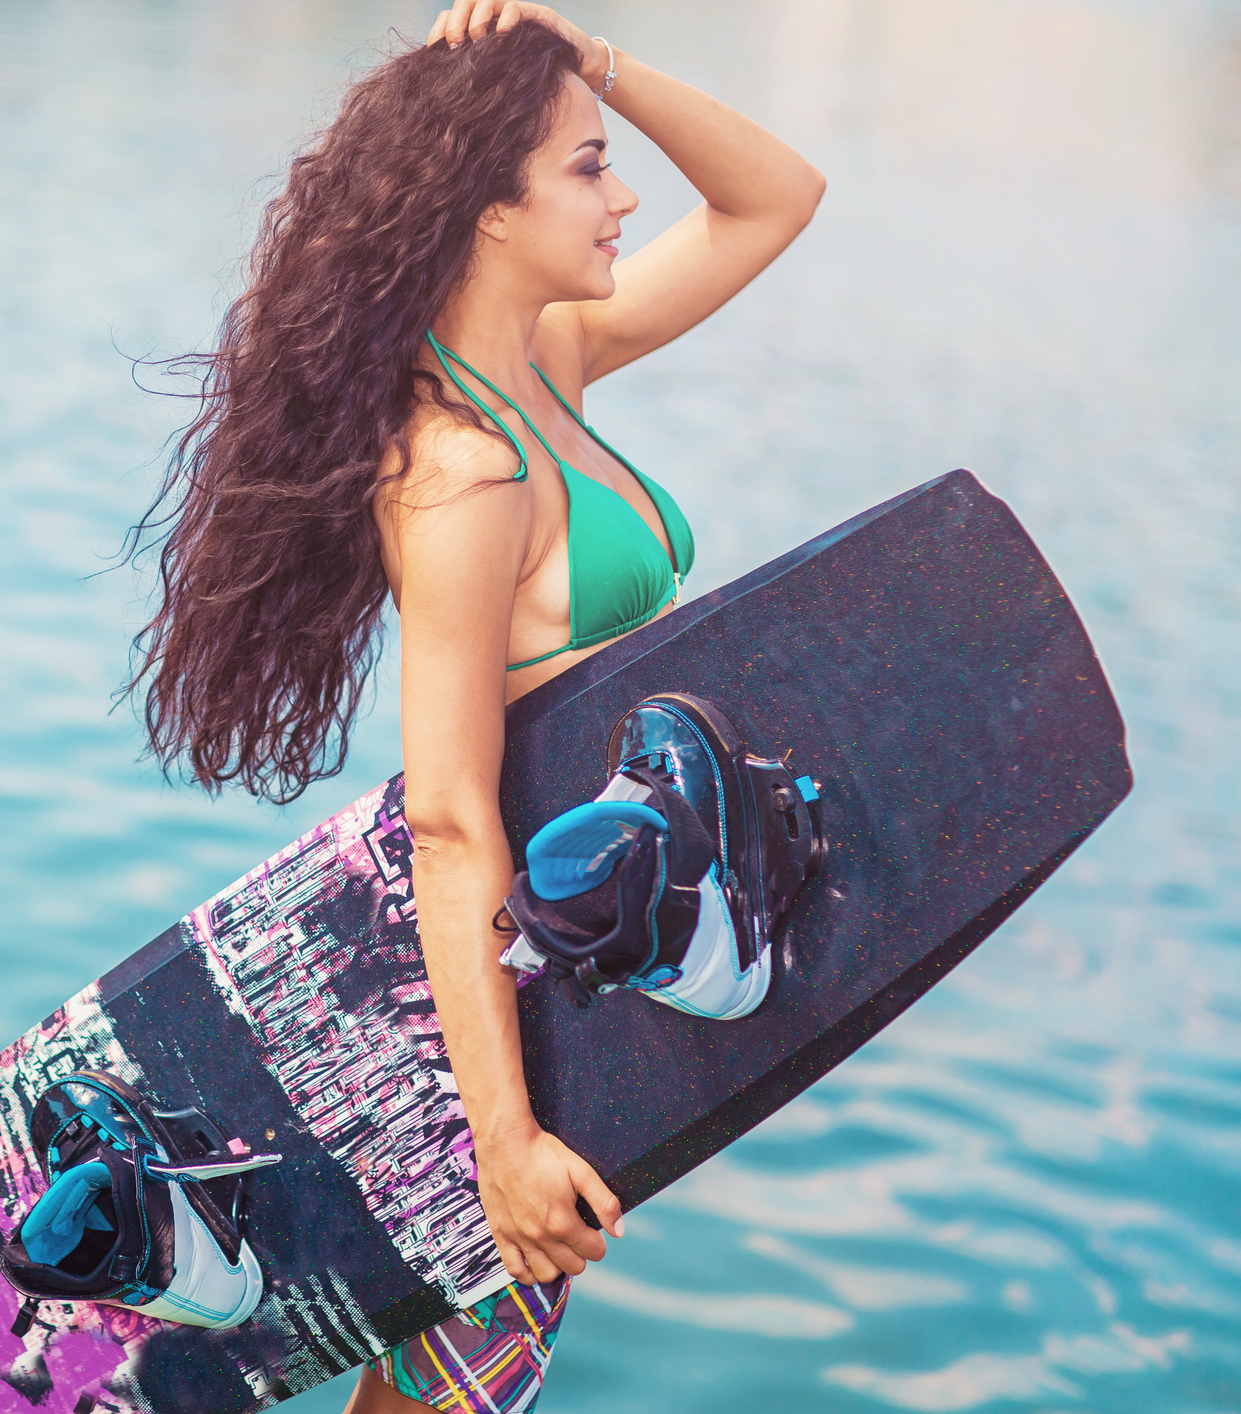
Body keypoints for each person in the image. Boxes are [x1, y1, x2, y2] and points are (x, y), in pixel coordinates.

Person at [130, 2, 824, 1409]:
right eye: (584, 164)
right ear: (487, 206)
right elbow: (448, 814)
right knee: (450, 1396)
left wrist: (596, 64)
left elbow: (776, 197)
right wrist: (499, 1139)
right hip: (497, 1007)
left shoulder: (547, 367)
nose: (623, 190)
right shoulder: (460, 470)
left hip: (592, 942)